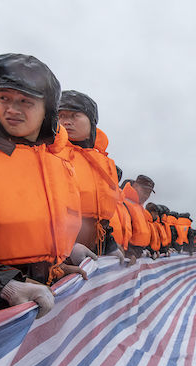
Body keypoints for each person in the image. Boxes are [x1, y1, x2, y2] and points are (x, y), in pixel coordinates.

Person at [0, 54, 87, 315]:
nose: (13, 109)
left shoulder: (59, 165)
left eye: (26, 101)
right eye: (4, 98)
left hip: (45, 292)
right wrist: (7, 284)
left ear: (46, 109)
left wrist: (59, 264)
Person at [58, 91, 123, 263]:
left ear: (91, 120)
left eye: (74, 115)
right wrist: (66, 247)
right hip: (59, 256)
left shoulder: (104, 163)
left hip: (96, 250)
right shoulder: (49, 155)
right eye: (61, 115)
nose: (65, 121)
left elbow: (103, 216)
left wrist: (110, 246)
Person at [122, 175, 155, 264]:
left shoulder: (140, 208)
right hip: (127, 259)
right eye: (144, 191)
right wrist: (128, 253)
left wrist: (148, 250)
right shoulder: (123, 202)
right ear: (135, 186)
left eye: (149, 193)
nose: (146, 195)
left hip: (137, 256)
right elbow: (122, 232)